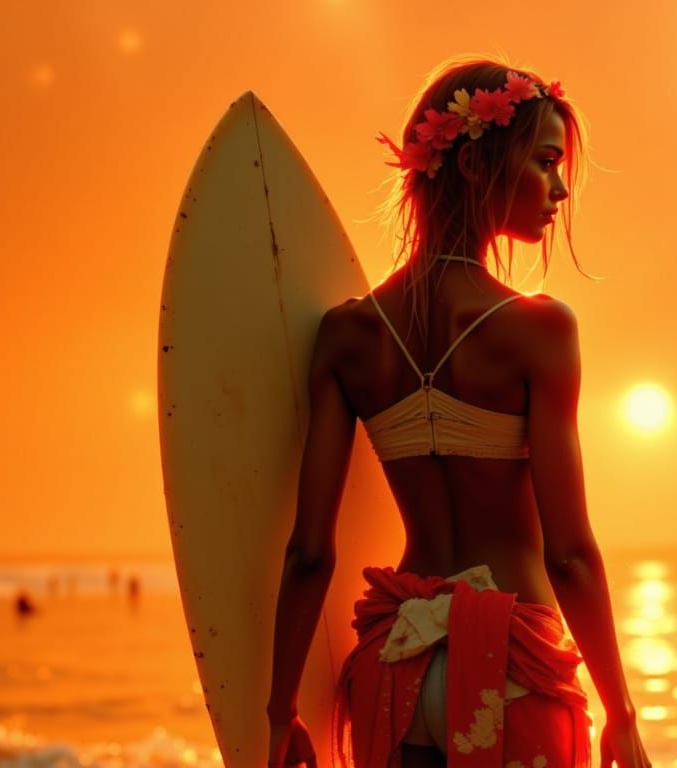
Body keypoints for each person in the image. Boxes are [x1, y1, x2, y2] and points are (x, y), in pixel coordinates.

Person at [265, 54, 651, 768]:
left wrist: (279, 711)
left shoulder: (348, 337)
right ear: (473, 168)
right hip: (513, 666)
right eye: (543, 162)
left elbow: (310, 553)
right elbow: (568, 554)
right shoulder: (538, 331)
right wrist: (621, 714)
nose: (558, 189)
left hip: (394, 664)